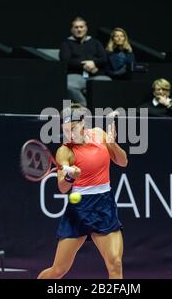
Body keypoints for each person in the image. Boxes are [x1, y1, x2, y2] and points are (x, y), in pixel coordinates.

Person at [38, 104, 128, 279]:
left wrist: (112, 144)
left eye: (73, 129)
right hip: (79, 209)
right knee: (58, 270)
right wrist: (71, 177)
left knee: (115, 263)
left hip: (104, 205)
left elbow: (123, 162)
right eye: (65, 131)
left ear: (83, 122)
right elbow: (62, 188)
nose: (69, 135)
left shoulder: (100, 135)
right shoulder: (65, 151)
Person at [59, 17, 111, 107]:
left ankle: (101, 108)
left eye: (81, 27)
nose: (79, 29)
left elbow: (104, 58)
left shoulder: (95, 42)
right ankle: (85, 106)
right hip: (76, 75)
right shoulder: (66, 43)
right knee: (68, 85)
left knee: (108, 82)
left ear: (86, 28)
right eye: (76, 27)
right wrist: (83, 65)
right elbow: (65, 60)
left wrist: (93, 63)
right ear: (72, 29)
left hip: (96, 75)